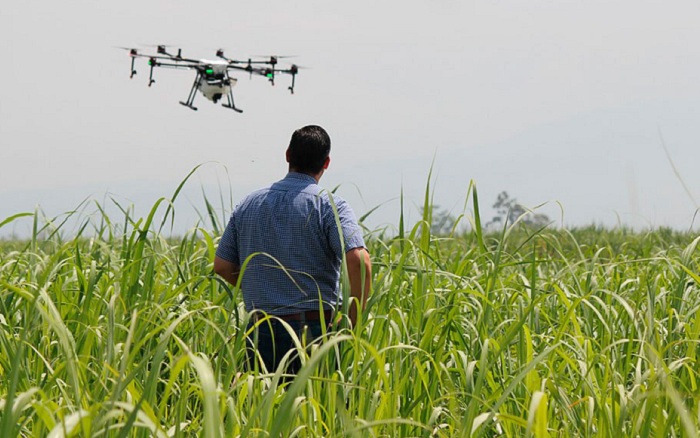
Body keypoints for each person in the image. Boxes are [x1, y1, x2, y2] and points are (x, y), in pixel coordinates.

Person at [214, 125, 372, 375]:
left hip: (260, 328)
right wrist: (351, 321)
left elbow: (222, 266)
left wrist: (262, 285)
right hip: (313, 330)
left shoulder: (248, 204)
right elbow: (359, 261)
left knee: (259, 409)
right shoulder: (330, 206)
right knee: (312, 409)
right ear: (327, 163)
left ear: (287, 155)